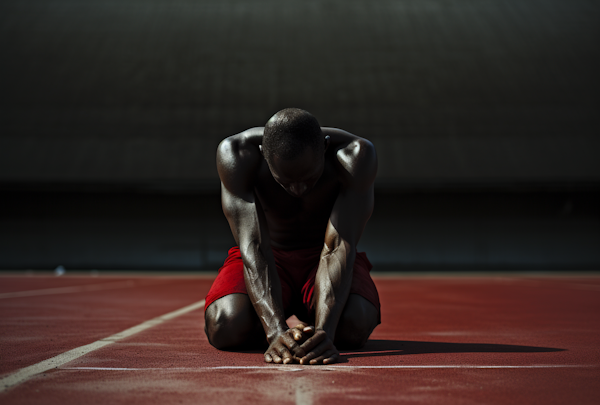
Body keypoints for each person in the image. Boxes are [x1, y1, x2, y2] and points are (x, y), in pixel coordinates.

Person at [204, 108, 380, 365]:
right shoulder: (237, 154)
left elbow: (338, 246)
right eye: (285, 182)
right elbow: (254, 246)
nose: (298, 189)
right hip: (270, 254)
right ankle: (292, 332)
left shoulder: (355, 155)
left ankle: (310, 329)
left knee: (353, 327)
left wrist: (325, 334)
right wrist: (275, 332)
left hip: (323, 254)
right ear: (265, 155)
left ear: (325, 147)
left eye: (309, 179)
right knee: (225, 325)